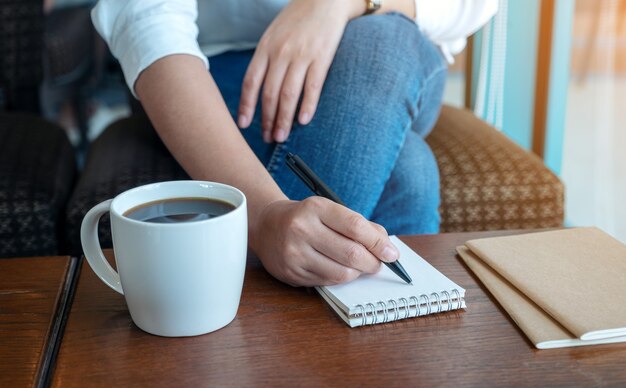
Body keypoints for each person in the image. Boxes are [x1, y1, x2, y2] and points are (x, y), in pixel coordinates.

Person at [91, 0, 498, 287]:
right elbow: (147, 21)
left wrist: (337, 4)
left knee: (385, 42)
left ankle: (261, 323)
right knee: (409, 170)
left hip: (380, 47)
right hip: (209, 66)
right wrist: (267, 215)